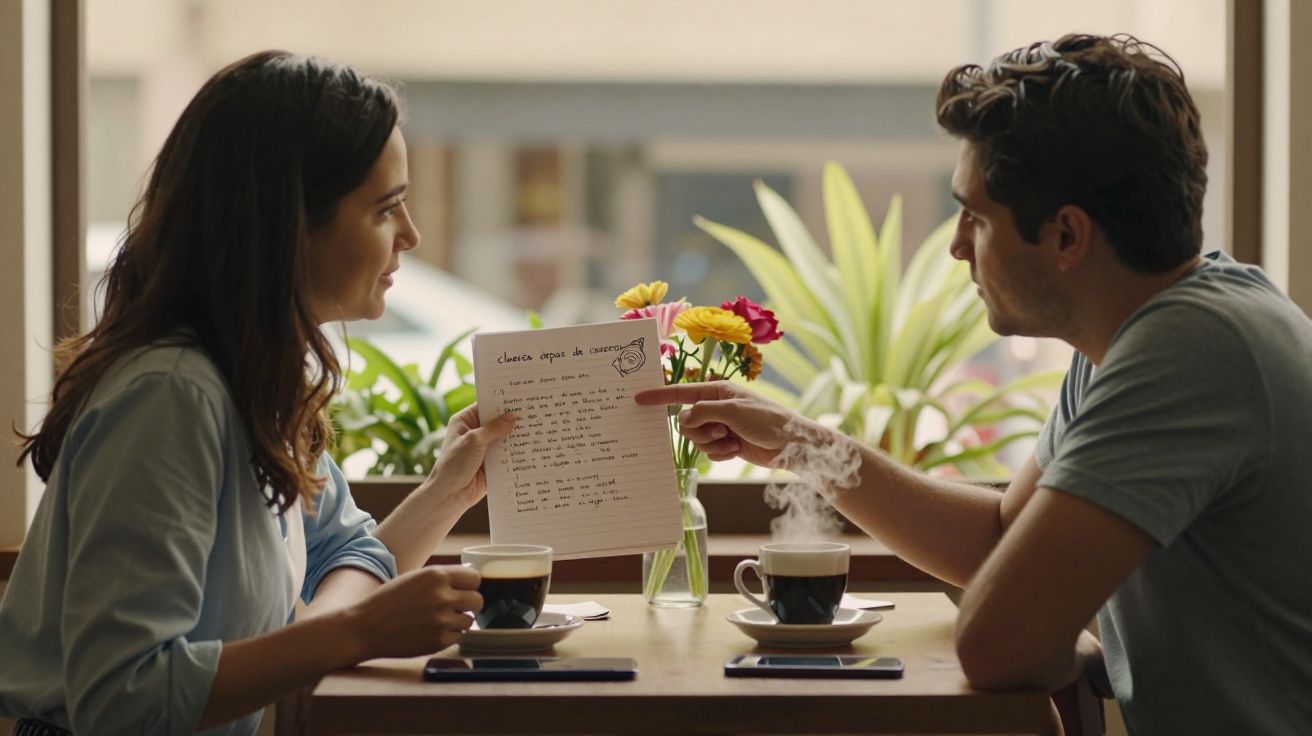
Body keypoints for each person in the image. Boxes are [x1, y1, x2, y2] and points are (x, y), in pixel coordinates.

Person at [637, 34, 1312, 734]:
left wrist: (1056, 639)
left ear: (1067, 237)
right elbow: (999, 540)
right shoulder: (1136, 334)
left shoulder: (1193, 353)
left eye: (976, 216)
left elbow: (998, 648)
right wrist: (798, 444)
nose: (957, 244)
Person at [0, 51, 515, 735]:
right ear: (289, 223)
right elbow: (121, 699)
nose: (412, 236)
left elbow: (347, 556)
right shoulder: (169, 398)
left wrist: (451, 488)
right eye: (386, 208)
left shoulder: (258, 379)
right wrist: (357, 632)